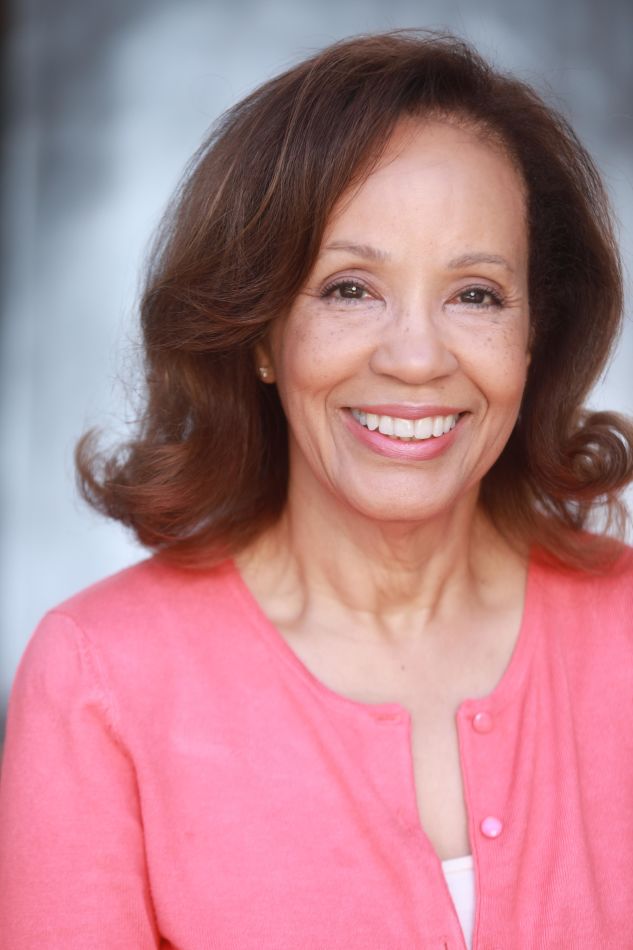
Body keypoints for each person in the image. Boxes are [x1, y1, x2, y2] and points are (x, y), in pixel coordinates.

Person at [1, 29, 632, 950]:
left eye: (475, 295)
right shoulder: (101, 678)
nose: (414, 358)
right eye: (349, 289)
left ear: (536, 335)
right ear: (260, 333)